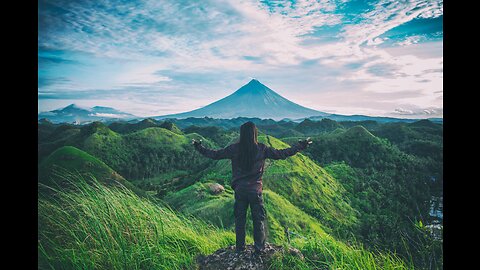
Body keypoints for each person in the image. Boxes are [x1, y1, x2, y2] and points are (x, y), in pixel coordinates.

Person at [192, 121, 312, 255]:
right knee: (258, 219)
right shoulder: (262, 148)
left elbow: (215, 154)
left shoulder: (234, 149)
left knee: (240, 220)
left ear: (241, 134)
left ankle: (240, 249)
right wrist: (300, 146)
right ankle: (259, 249)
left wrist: (198, 147)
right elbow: (282, 153)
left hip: (240, 190)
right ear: (255, 134)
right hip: (255, 191)